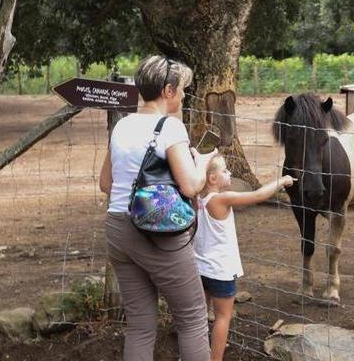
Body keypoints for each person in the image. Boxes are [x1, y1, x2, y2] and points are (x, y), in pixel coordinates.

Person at [99, 55, 214, 361]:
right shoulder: (170, 128)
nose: (184, 95)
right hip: (156, 233)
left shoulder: (122, 125)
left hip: (118, 228)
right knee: (192, 318)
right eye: (182, 88)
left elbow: (106, 183)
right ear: (168, 90)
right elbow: (191, 186)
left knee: (139, 325)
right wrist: (202, 164)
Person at [194, 154, 295, 361]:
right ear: (212, 178)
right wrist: (282, 180)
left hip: (200, 269)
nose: (229, 172)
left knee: (198, 317)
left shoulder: (197, 199)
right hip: (220, 271)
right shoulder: (222, 199)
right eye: (224, 170)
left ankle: (195, 355)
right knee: (222, 318)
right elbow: (258, 195)